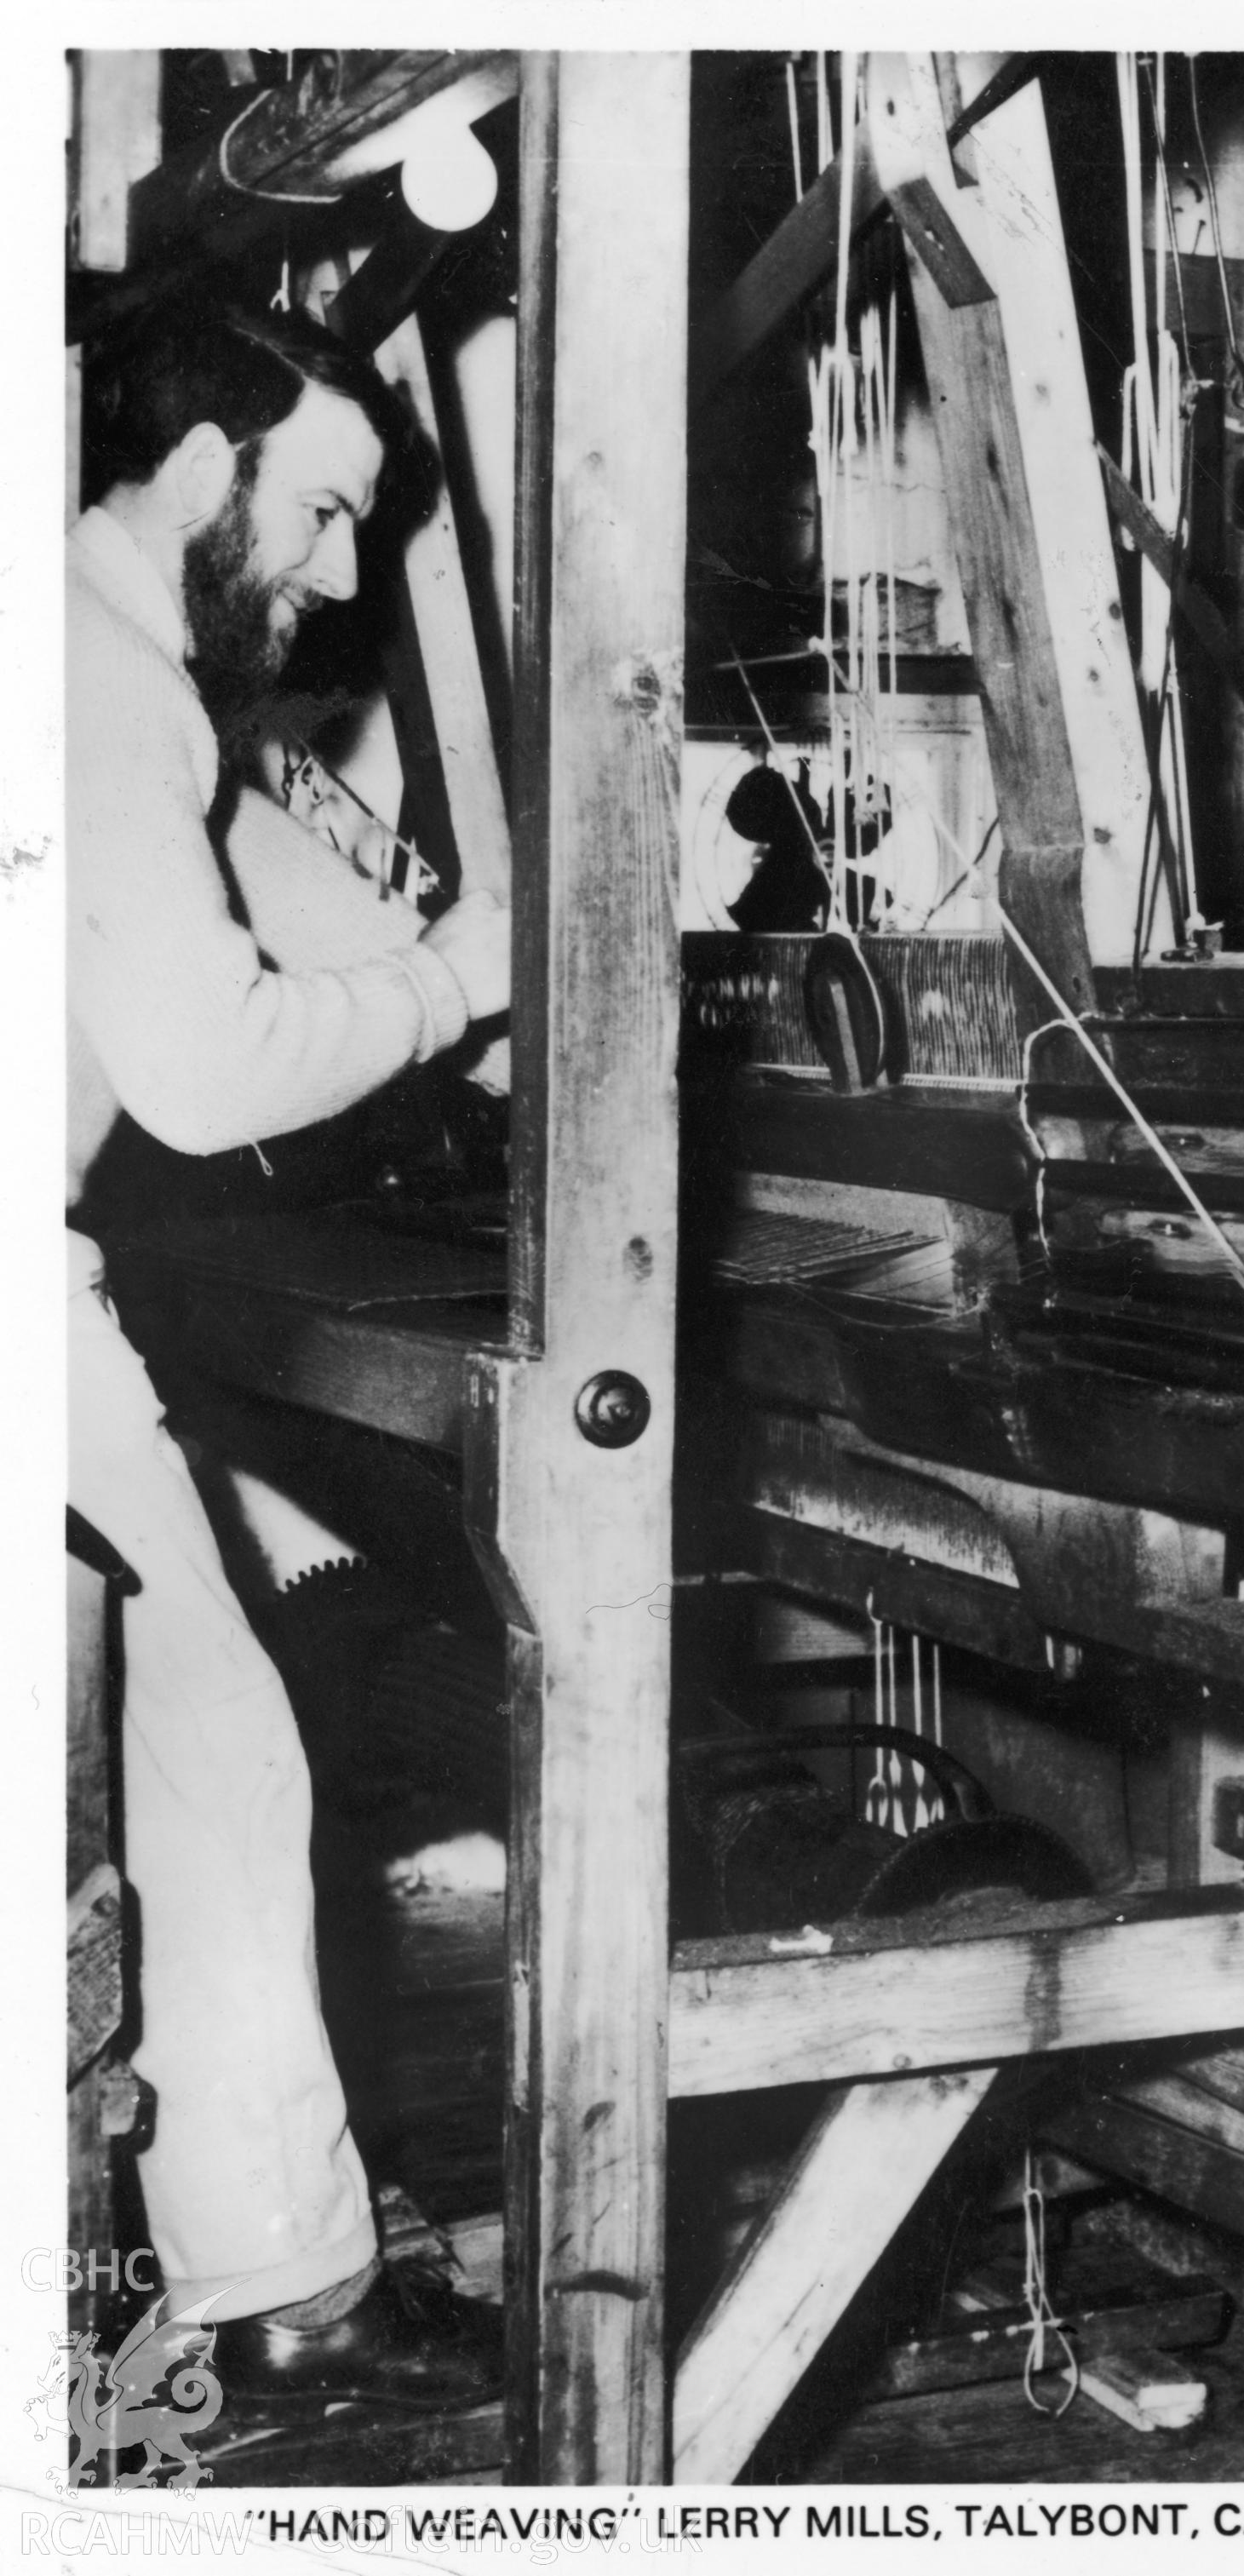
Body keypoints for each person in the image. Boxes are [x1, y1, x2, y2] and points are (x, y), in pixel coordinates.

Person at [67, 302, 510, 2412]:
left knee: (197, 1721)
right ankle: (293, 2284)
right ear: (200, 474)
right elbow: (206, 1061)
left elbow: (249, 935)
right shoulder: (98, 682)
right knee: (219, 1740)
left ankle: (275, 2263)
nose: (342, 570)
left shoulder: (105, 671)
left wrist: (411, 927)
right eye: (324, 508)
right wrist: (455, 976)